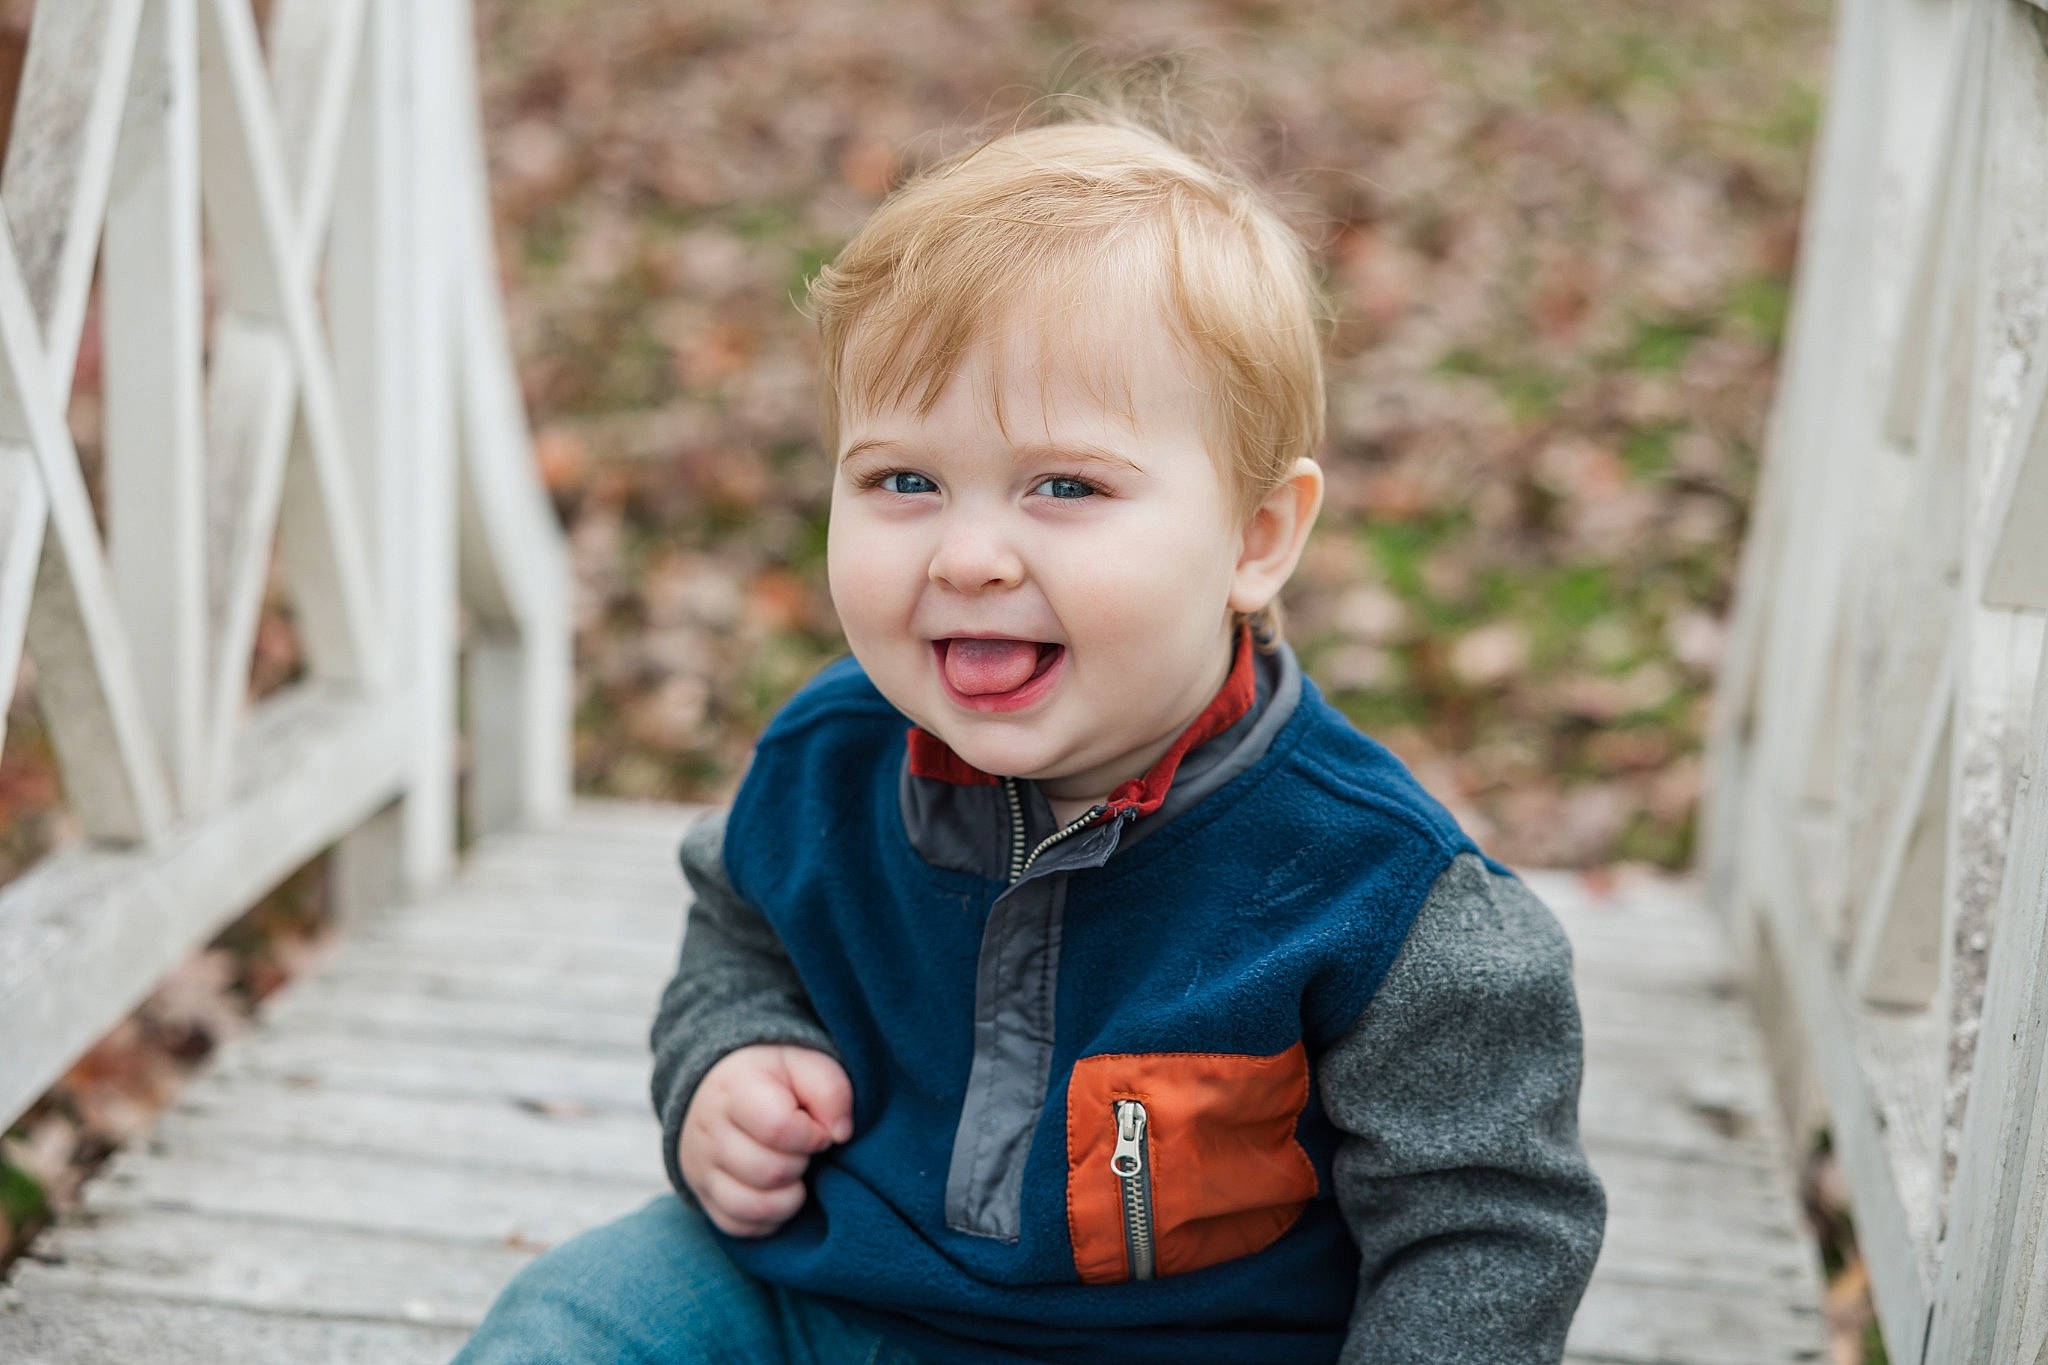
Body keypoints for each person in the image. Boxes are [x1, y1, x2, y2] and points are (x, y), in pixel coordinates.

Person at [455, 96, 1605, 1365]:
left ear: (1254, 537)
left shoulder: (1377, 899)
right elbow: (740, 939)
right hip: (832, 1292)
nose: (969, 554)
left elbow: (1484, 1226)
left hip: (1183, 1344)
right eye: (904, 480)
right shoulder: (827, 758)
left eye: (1064, 486)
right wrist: (728, 1062)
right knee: (577, 1316)